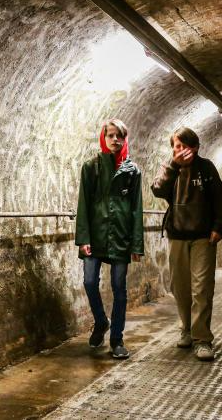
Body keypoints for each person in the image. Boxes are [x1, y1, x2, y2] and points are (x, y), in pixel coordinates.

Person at [151, 127, 222, 361]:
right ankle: (186, 328)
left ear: (195, 147)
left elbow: (219, 198)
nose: (180, 150)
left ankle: (202, 339)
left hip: (203, 237)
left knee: (202, 288)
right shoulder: (170, 168)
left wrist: (219, 227)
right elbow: (158, 190)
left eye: (184, 146)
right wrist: (173, 165)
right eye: (176, 146)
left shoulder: (206, 168)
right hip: (177, 235)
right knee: (180, 288)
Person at [75, 118, 144, 359]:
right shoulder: (91, 167)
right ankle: (101, 321)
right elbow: (83, 204)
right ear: (103, 138)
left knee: (119, 289)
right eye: (111, 135)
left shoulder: (132, 171)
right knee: (89, 282)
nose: (115, 140)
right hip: (95, 236)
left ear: (125, 139)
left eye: (119, 136)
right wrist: (83, 238)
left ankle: (117, 339)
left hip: (121, 237)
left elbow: (136, 208)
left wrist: (136, 244)